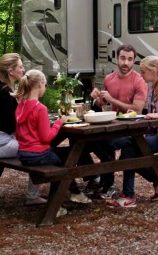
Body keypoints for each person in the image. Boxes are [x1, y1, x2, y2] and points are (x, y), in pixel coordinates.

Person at [107, 56, 158, 208]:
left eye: (143, 72)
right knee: (131, 151)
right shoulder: (153, 89)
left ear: (153, 71)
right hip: (154, 135)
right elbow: (150, 116)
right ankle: (156, 180)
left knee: (129, 149)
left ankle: (129, 196)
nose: (141, 75)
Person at [14, 69, 92, 215]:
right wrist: (59, 122)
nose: (44, 88)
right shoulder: (40, 108)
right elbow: (46, 138)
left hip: (24, 154)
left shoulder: (21, 106)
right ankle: (55, 206)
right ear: (38, 85)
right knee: (67, 161)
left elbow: (19, 134)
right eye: (44, 84)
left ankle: (75, 193)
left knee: (68, 155)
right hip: (38, 155)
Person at [0, 53, 46, 206]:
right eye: (20, 67)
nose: (24, 70)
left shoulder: (0, 88)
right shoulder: (5, 93)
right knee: (37, 150)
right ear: (11, 71)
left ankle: (34, 195)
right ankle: (32, 196)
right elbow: (12, 125)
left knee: (34, 147)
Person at [87, 44, 148, 199]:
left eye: (129, 59)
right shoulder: (109, 79)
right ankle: (100, 181)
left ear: (134, 61)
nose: (125, 63)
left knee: (111, 146)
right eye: (122, 58)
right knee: (89, 142)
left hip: (131, 130)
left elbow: (137, 108)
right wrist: (97, 99)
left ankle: (108, 184)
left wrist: (112, 99)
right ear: (116, 58)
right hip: (111, 127)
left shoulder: (139, 81)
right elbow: (103, 104)